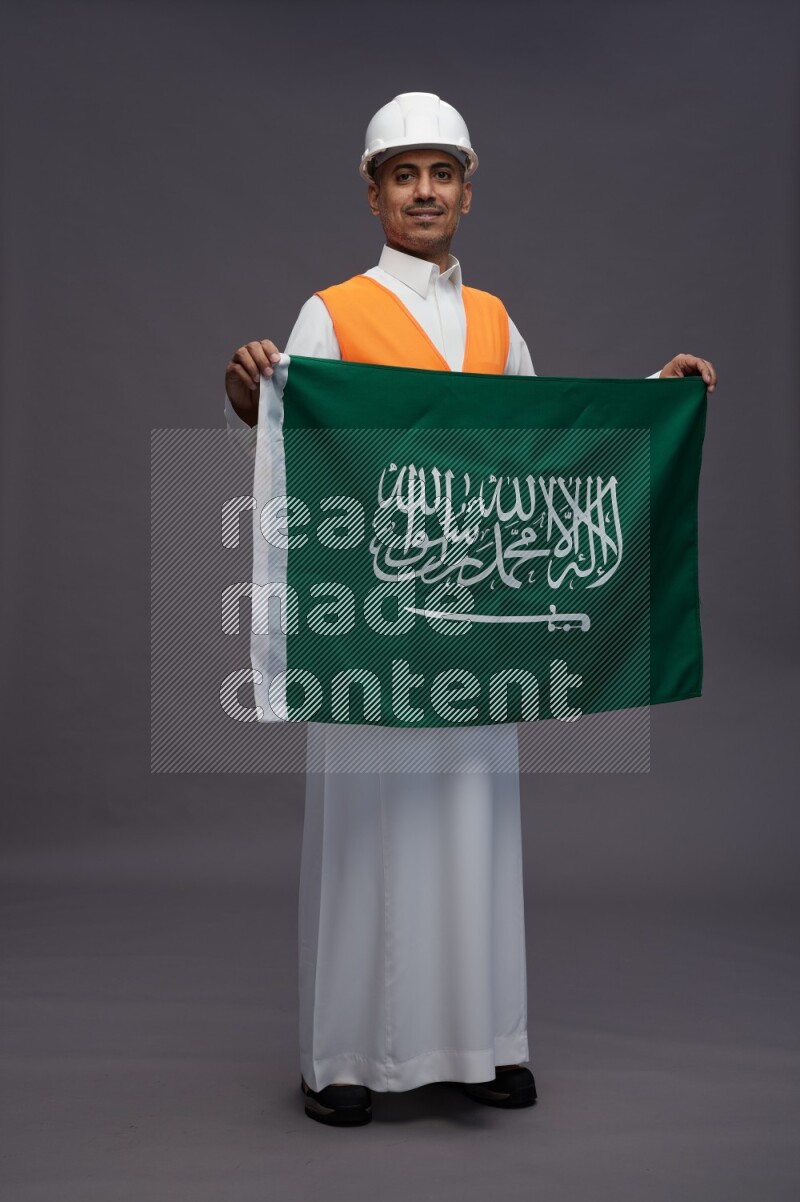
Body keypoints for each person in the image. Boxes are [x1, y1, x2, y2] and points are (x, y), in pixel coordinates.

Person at [224, 92, 717, 1127]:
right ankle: (345, 1054)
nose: (422, 191)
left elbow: (541, 457)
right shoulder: (334, 309)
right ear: (371, 193)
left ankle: (486, 1041)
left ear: (465, 188)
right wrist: (253, 401)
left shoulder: (492, 319)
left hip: (478, 619)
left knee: (472, 821)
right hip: (375, 619)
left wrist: (650, 400)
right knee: (368, 827)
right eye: (401, 174)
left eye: (440, 172)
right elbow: (296, 452)